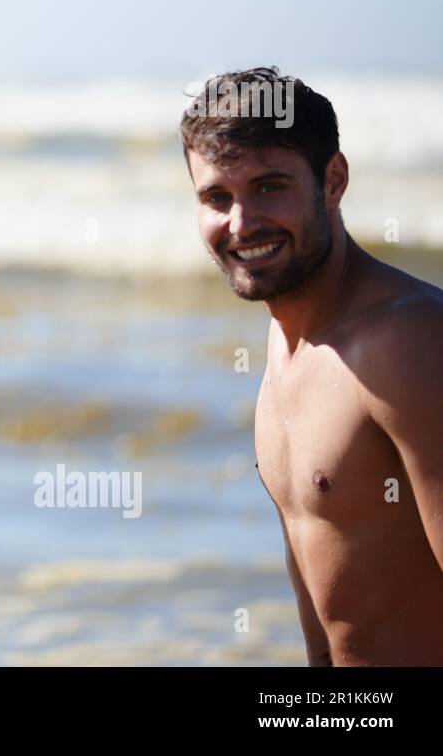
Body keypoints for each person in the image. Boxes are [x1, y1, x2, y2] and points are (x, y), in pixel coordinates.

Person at [180, 66, 443, 665]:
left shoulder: (410, 342)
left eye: (270, 187)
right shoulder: (286, 344)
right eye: (217, 198)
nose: (241, 224)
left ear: (334, 180)